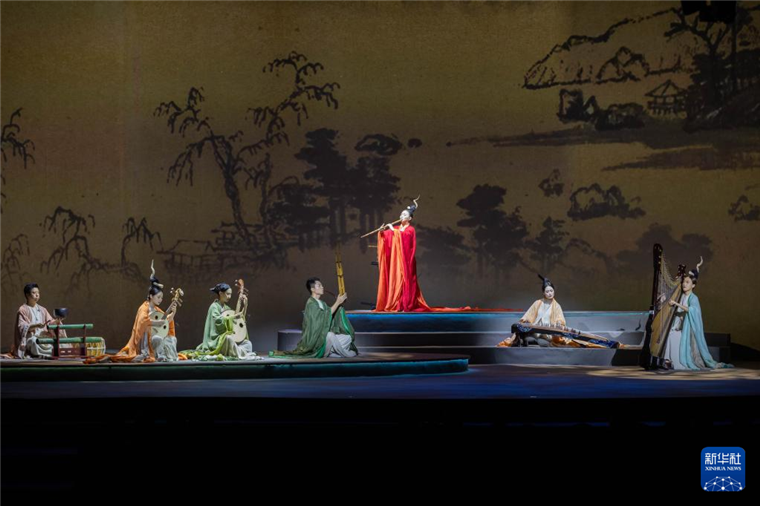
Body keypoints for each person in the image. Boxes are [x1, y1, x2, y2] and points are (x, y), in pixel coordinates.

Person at [97, 263, 183, 363]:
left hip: (154, 336)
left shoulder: (157, 310)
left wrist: (173, 313)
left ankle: (162, 356)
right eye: (158, 297)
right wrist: (157, 323)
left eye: (162, 298)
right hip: (145, 341)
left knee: (172, 339)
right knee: (157, 339)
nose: (160, 300)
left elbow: (166, 322)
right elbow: (143, 321)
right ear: (151, 296)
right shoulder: (143, 308)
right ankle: (153, 354)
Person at [662, 258, 732, 370]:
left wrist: (676, 303)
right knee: (668, 334)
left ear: (693, 285)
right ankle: (667, 361)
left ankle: (677, 362)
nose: (684, 284)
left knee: (673, 336)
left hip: (688, 329)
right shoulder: (681, 296)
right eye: (684, 282)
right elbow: (676, 309)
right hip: (679, 325)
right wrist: (666, 300)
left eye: (687, 282)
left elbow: (692, 310)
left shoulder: (694, 298)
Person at [270, 277, 357, 358]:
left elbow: (330, 314)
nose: (322, 287)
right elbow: (324, 317)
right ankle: (342, 353)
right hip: (316, 341)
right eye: (319, 285)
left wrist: (339, 304)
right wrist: (337, 302)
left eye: (322, 285)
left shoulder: (322, 303)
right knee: (330, 336)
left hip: (324, 336)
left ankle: (332, 351)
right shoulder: (311, 304)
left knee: (347, 337)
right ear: (312, 289)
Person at [376, 197, 431, 312]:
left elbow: (404, 237)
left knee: (406, 281)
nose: (402, 216)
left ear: (410, 218)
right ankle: (397, 304)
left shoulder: (410, 229)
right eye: (401, 214)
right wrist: (382, 232)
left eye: (405, 215)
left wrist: (393, 230)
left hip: (406, 261)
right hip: (397, 262)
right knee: (395, 281)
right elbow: (387, 236)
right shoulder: (397, 228)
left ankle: (406, 303)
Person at [184, 282, 260, 361]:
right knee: (228, 338)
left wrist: (245, 304)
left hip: (226, 337)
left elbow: (236, 320)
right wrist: (233, 317)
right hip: (216, 340)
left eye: (230, 294)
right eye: (227, 294)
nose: (229, 297)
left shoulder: (226, 308)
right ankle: (241, 354)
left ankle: (239, 353)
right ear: (220, 293)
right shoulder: (214, 307)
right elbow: (218, 321)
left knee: (248, 343)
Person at [496, 275, 573, 347]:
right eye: (547, 291)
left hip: (547, 333)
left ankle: (534, 341)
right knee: (528, 336)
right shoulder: (537, 303)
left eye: (551, 291)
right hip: (535, 331)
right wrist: (526, 321)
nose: (550, 293)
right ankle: (529, 340)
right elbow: (528, 315)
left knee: (543, 342)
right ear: (543, 293)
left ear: (554, 291)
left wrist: (559, 322)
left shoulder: (557, 306)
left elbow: (560, 319)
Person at [11, 283, 65, 359]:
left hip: (44, 336)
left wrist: (56, 321)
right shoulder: (22, 310)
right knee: (34, 342)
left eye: (38, 293)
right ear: (27, 295)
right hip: (31, 338)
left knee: (58, 342)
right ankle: (45, 354)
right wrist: (37, 325)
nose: (37, 295)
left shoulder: (42, 309)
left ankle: (48, 354)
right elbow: (22, 326)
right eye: (34, 293)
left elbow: (50, 322)